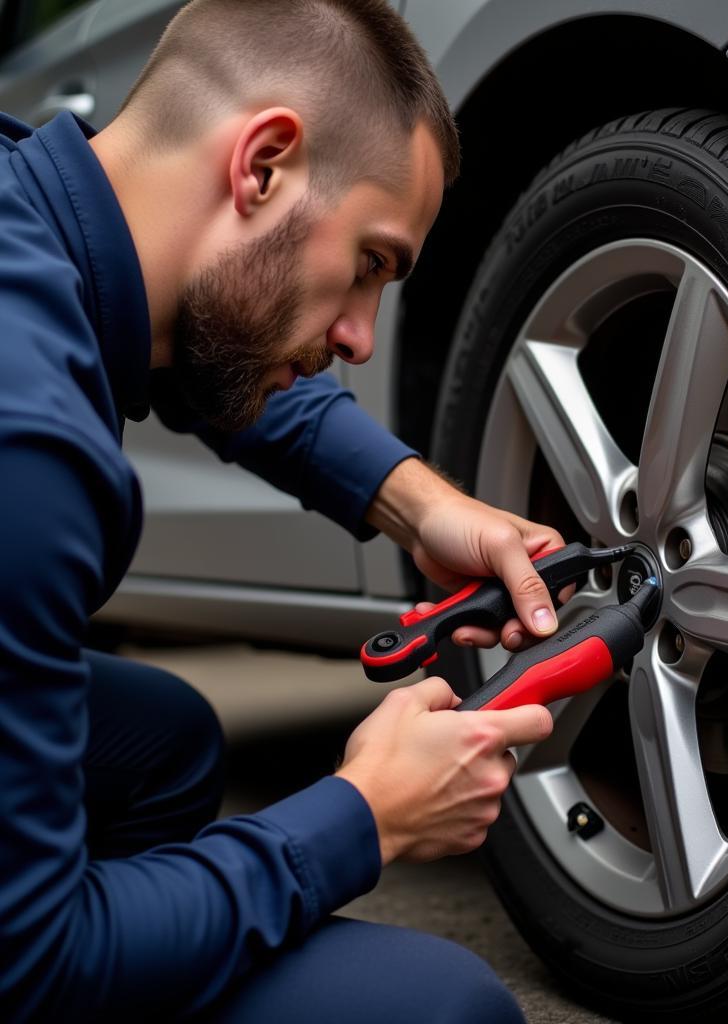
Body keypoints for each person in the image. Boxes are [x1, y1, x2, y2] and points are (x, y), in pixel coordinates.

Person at [0, 1, 564, 1020]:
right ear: (261, 165)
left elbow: (210, 353)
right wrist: (364, 816)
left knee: (161, 742)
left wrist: (418, 505)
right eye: (370, 265)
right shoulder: (30, 454)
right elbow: (32, 959)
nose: (359, 337)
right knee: (445, 1008)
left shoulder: (25, 210)